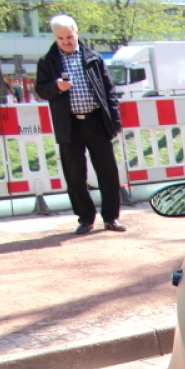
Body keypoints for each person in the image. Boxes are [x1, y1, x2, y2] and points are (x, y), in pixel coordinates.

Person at [35, 14, 125, 234]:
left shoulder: (93, 57)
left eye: (69, 36)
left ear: (76, 33)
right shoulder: (47, 61)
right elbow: (41, 90)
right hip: (69, 125)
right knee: (75, 175)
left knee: (108, 173)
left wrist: (114, 122)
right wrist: (56, 87)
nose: (66, 41)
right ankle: (85, 218)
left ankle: (111, 218)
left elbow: (109, 91)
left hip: (96, 120)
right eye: (61, 38)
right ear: (56, 38)